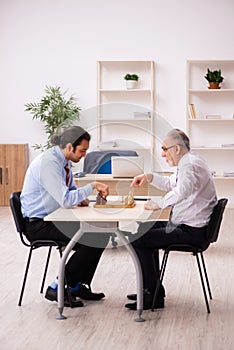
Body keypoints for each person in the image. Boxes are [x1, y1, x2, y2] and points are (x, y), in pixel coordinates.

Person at [125, 128, 217, 310]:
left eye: (164, 149)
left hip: (192, 232)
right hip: (188, 225)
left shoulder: (189, 165)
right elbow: (171, 184)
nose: (162, 153)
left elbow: (183, 190)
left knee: (138, 238)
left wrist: (158, 204)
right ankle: (152, 289)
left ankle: (153, 294)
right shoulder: (189, 161)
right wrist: (149, 177)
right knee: (143, 229)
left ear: (176, 148)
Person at [20, 126, 110, 308]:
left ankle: (76, 285)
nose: (85, 155)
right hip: (38, 225)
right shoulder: (50, 163)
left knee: (101, 234)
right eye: (82, 150)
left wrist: (81, 197)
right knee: (92, 236)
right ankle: (56, 287)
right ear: (70, 147)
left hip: (53, 218)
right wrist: (92, 186)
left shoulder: (64, 161)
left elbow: (70, 190)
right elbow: (65, 199)